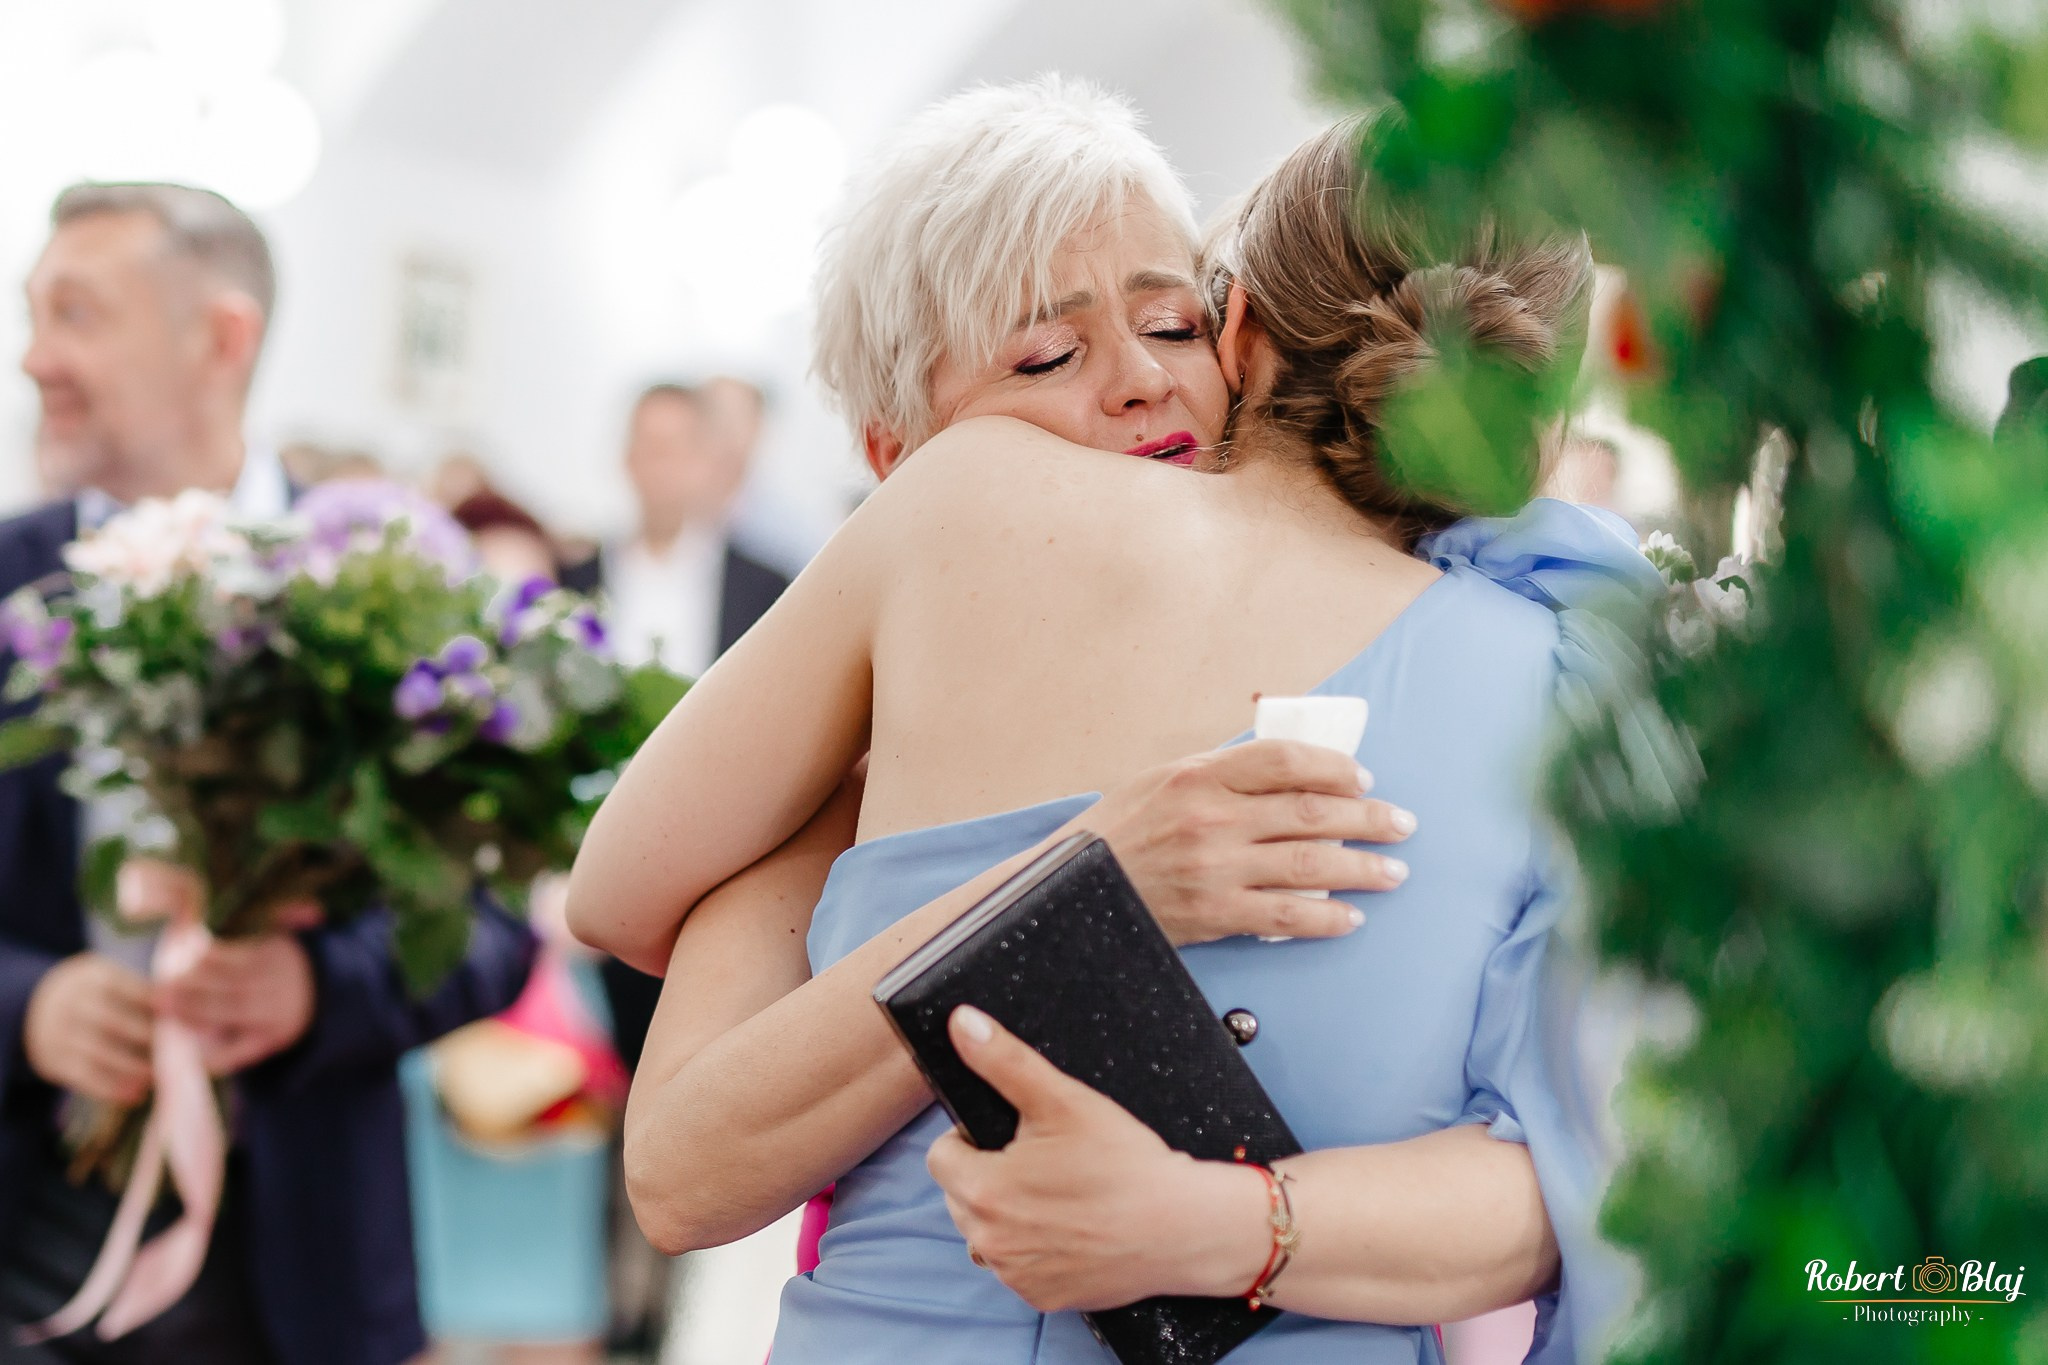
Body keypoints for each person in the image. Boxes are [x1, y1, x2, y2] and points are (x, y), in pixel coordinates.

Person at [573, 83, 1650, 1362]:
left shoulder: (955, 522)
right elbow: (662, 1102)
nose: (1138, 384)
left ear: (1233, 330)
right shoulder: (1557, 669)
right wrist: (1083, 874)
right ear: (894, 451)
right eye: (1043, 358)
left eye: (1167, 323)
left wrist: (1213, 1224)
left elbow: (1553, 1194)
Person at [0, 182, 536, 1365]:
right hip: (31, 1220)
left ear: (221, 338)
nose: (35, 359)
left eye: (76, 315)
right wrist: (27, 1004)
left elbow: (495, 928)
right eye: (32, 315)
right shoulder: (7, 583)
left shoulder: (390, 589)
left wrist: (315, 988)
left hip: (304, 1262)